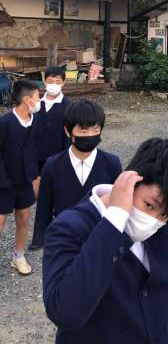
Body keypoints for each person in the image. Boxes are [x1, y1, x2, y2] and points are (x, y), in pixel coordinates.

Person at [42, 138, 168, 344]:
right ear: (131, 179)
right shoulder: (70, 227)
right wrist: (114, 220)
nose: (154, 219)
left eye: (166, 215)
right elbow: (65, 311)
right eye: (149, 205)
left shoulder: (157, 220)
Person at [30, 100, 122, 249]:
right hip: (64, 238)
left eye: (95, 129)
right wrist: (42, 240)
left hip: (99, 239)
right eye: (83, 131)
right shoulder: (53, 165)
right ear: (67, 131)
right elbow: (44, 208)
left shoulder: (112, 163)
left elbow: (118, 205)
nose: (90, 135)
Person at [0, 80, 40, 275]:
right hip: (4, 181)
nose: (39, 100)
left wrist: (34, 175)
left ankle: (19, 256)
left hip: (25, 179)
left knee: (23, 218)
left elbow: (34, 149)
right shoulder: (5, 122)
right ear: (27, 100)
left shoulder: (35, 121)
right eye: (37, 97)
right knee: (0, 221)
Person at [32, 66, 71, 200]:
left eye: (58, 81)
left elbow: (70, 135)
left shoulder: (68, 105)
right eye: (50, 81)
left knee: (56, 189)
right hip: (36, 155)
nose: (53, 84)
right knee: (38, 190)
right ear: (44, 81)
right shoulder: (36, 102)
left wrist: (66, 157)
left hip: (58, 156)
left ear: (63, 83)